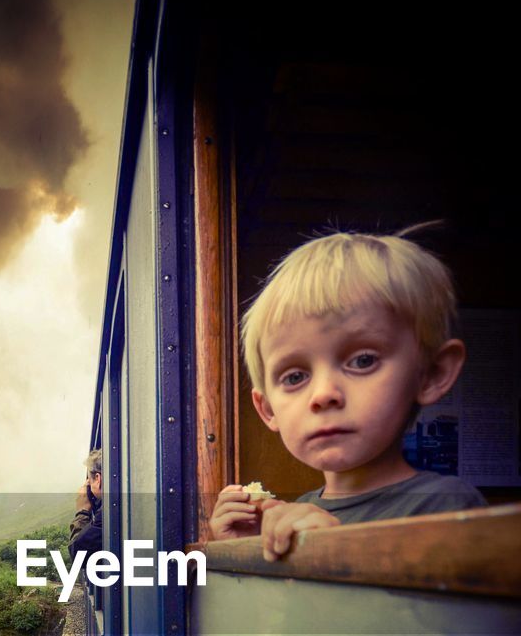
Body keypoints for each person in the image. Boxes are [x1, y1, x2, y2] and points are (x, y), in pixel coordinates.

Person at [208, 230, 486, 561]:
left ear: (431, 374)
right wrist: (245, 549)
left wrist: (336, 553)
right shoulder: (300, 513)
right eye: (295, 376)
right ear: (268, 410)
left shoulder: (446, 508)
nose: (324, 394)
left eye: (363, 361)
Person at [69, 448, 103, 565]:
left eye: (89, 480)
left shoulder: (109, 512)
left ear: (98, 479)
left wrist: (82, 512)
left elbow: (79, 555)